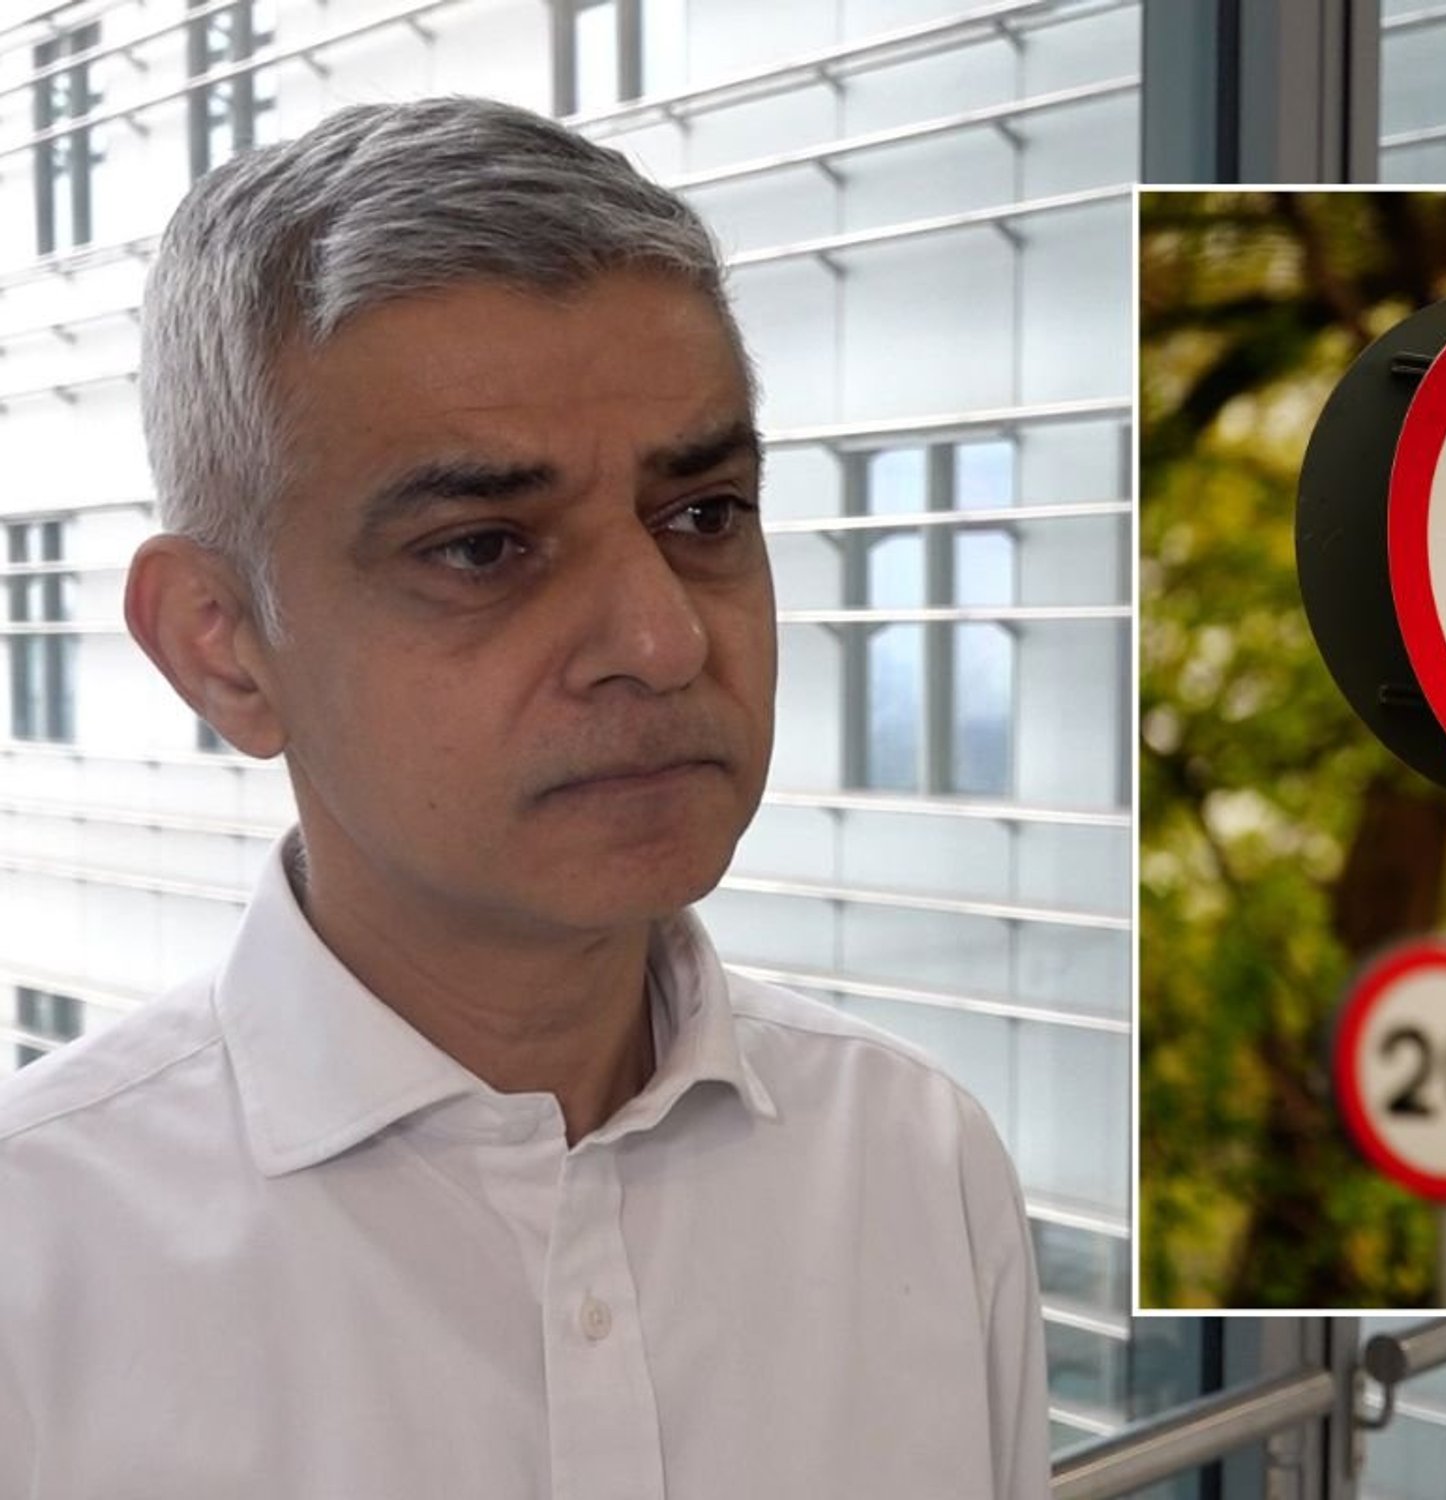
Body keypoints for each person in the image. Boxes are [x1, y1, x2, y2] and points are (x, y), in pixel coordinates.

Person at [0, 96, 1049, 1499]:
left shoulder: (920, 1167)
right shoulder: (37, 1261)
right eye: (485, 548)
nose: (664, 641)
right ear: (221, 646)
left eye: (705, 517)